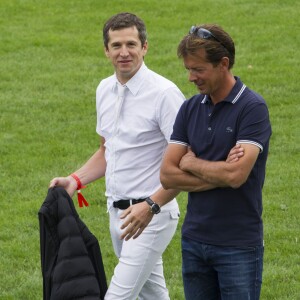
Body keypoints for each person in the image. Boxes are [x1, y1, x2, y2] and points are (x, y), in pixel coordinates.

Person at [50, 12, 186, 300]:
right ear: (106, 50)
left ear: (145, 47)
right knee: (153, 296)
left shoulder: (164, 94)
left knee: (118, 296)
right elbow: (106, 150)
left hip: (152, 215)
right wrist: (76, 179)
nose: (124, 53)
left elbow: (186, 162)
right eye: (116, 46)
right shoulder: (104, 90)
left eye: (131, 44)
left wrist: (151, 205)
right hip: (117, 215)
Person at [159, 24, 272, 300]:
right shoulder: (189, 108)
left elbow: (235, 176)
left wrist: (191, 163)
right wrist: (219, 171)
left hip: (238, 245)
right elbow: (167, 175)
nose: (190, 77)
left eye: (198, 69)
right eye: (188, 69)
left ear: (223, 64)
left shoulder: (252, 109)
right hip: (194, 241)